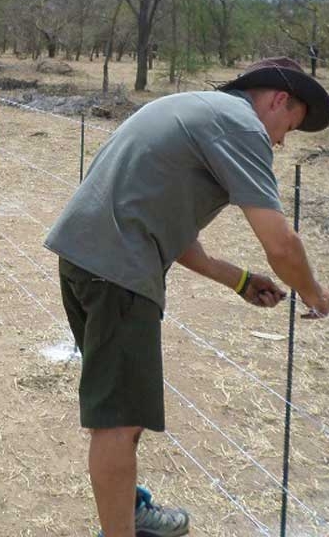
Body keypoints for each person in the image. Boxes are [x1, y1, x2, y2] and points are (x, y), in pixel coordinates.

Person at [44, 57, 329, 537]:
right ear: (280, 100)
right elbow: (281, 244)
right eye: (290, 126)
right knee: (119, 420)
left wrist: (238, 279)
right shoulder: (242, 127)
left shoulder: (197, 109)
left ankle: (128, 511)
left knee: (117, 411)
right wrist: (318, 297)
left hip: (81, 259)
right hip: (119, 274)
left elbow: (173, 231)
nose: (280, 141)